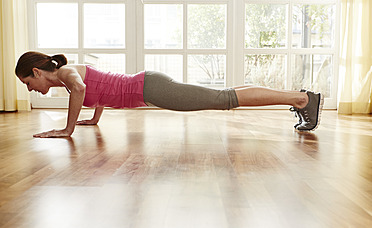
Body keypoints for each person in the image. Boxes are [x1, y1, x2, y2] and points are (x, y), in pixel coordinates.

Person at [15, 51, 323, 138]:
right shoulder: (71, 78)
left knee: (224, 99)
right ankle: (300, 98)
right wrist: (94, 118)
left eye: (28, 83)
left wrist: (67, 129)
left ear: (38, 72)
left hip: (151, 88)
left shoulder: (69, 76)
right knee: (225, 95)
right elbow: (101, 89)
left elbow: (83, 89)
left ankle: (302, 99)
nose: (31, 89)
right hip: (149, 85)